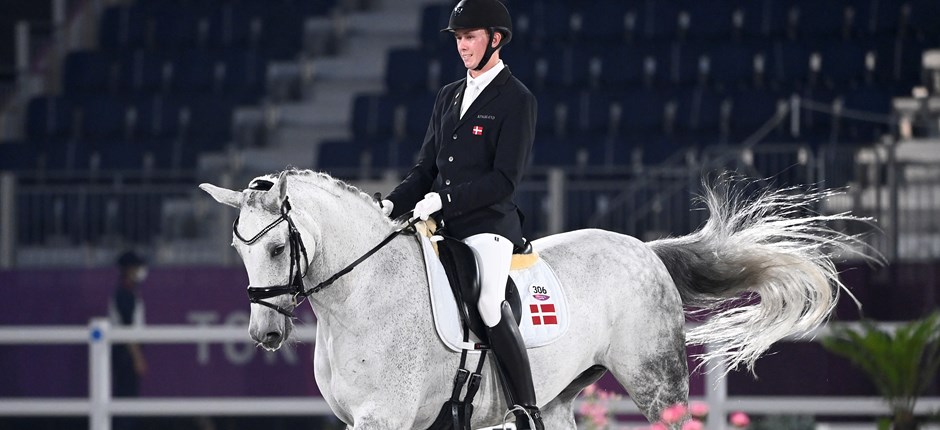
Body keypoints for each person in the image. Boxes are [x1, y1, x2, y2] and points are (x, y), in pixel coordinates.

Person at [381, 0, 542, 427]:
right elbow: (425, 168)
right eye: (458, 38)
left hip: (488, 225)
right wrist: (391, 204)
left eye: (470, 37)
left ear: (496, 39)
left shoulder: (517, 99)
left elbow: (505, 181)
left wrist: (444, 201)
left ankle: (526, 409)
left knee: (489, 303)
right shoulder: (448, 95)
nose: (462, 46)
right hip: (441, 224)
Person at [109, 251, 148, 405]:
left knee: (128, 396)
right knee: (126, 396)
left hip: (126, 352)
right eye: (137, 267)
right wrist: (137, 358)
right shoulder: (124, 294)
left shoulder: (129, 292)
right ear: (128, 269)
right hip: (125, 353)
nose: (140, 271)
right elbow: (127, 329)